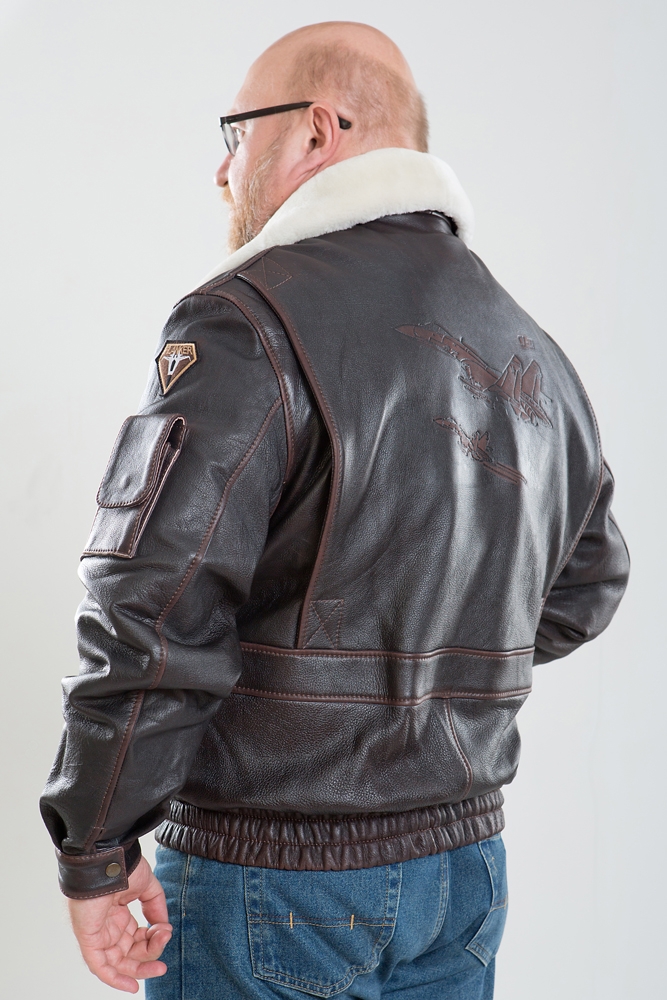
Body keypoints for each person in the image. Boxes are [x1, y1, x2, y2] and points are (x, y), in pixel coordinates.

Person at [40, 20, 630, 1000]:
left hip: (269, 874)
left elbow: (154, 601)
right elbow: (586, 583)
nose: (221, 170)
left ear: (318, 129)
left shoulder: (245, 320)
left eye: (236, 133)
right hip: (464, 871)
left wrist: (95, 844)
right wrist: (431, 677)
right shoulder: (530, 349)